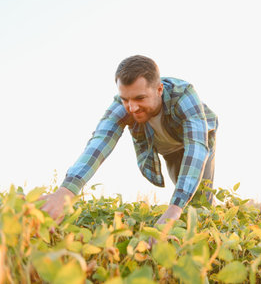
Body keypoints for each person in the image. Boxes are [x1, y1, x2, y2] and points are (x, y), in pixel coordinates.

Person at [40, 55, 218, 225]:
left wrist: (174, 209)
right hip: (168, 150)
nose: (132, 107)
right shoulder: (122, 107)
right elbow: (99, 143)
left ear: (159, 89)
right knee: (185, 199)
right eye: (126, 99)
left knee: (198, 201)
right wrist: (66, 191)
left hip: (197, 140)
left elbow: (196, 147)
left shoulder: (184, 95)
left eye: (140, 98)